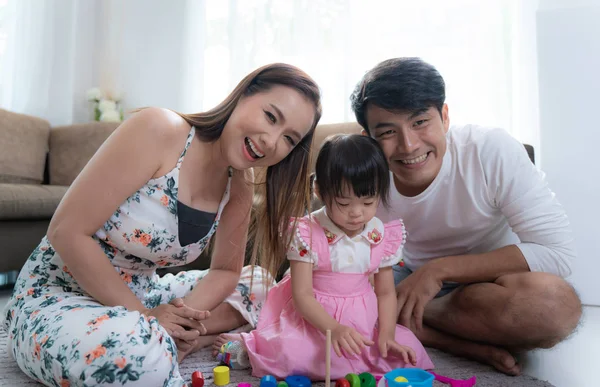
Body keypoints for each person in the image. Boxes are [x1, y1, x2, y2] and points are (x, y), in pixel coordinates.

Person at [1, 63, 322, 387]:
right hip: (58, 295)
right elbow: (65, 231)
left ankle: (174, 340)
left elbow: (225, 271)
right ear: (244, 94)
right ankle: (158, 344)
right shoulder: (159, 129)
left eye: (289, 139)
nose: (271, 141)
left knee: (263, 287)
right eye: (270, 116)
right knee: (137, 356)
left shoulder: (239, 181)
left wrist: (177, 321)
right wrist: (146, 317)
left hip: (144, 293)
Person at [349, 57, 583, 376]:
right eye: (388, 131)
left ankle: (403, 318)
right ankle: (454, 341)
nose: (408, 145)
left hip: (495, 281)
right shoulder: (367, 175)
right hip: (408, 280)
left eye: (420, 122)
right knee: (323, 300)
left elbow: (558, 254)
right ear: (369, 140)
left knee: (557, 306)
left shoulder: (489, 149)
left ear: (445, 117)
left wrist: (439, 271)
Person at [212, 134, 434, 380]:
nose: (356, 213)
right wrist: (334, 329)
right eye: (343, 203)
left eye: (368, 201)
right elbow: (302, 295)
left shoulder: (378, 233)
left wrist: (386, 335)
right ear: (320, 190)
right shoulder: (307, 231)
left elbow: (385, 292)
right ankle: (248, 346)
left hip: (362, 320)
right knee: (293, 354)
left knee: (406, 350)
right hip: (314, 319)